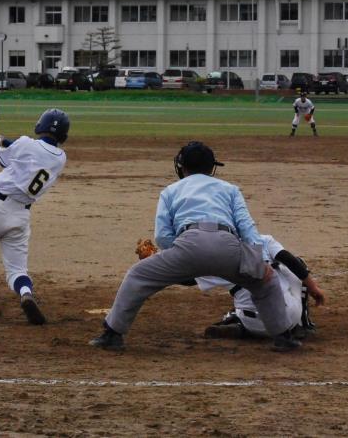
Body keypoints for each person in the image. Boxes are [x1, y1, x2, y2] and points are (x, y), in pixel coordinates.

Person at [90, 141, 302, 352]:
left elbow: (162, 235)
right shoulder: (230, 189)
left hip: (188, 243)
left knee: (137, 277)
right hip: (227, 245)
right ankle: (284, 338)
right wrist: (260, 261)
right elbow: (247, 228)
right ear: (212, 168)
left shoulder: (170, 190)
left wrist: (176, 255)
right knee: (266, 284)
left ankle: (112, 334)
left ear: (181, 166)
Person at [0, 109, 69, 324]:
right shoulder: (60, 158)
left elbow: (5, 157)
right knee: (17, 270)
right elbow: (25, 154)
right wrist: (2, 142)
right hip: (21, 216)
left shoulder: (25, 143)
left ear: (40, 125)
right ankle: (25, 293)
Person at [197, 234, 325, 340]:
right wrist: (313, 287)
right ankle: (301, 325)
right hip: (286, 319)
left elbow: (190, 277)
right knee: (298, 263)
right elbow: (289, 259)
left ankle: (238, 325)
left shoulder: (220, 254)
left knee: (243, 300)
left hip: (250, 322)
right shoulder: (263, 240)